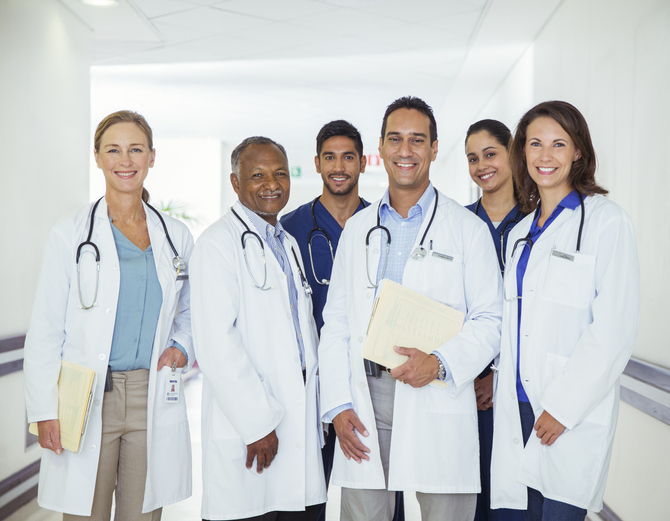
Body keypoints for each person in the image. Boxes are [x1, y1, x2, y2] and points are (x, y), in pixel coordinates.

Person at [318, 96, 503, 521]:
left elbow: (491, 320)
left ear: (434, 149)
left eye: (417, 140)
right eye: (395, 140)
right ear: (380, 149)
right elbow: (337, 323)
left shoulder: (467, 230)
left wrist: (439, 364)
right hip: (367, 397)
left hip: (436, 391)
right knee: (365, 514)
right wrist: (338, 405)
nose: (405, 151)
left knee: (445, 513)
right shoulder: (358, 230)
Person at [24, 110, 194, 520]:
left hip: (149, 394)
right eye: (113, 150)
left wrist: (180, 347)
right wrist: (44, 410)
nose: (125, 160)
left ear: (152, 157)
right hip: (85, 396)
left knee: (143, 514)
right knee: (86, 513)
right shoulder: (70, 234)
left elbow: (188, 312)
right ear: (97, 157)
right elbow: (46, 326)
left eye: (136, 149)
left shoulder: (176, 236)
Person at [490, 101, 640, 520]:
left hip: (565, 412)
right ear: (522, 152)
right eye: (534, 144)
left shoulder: (606, 223)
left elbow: (614, 328)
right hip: (516, 406)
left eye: (558, 144)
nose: (544, 155)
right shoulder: (521, 232)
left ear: (578, 151)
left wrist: (562, 406)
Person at [190, 136, 326, 521]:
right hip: (252, 430)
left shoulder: (287, 243)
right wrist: (256, 424)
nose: (272, 184)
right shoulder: (217, 244)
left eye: (280, 174)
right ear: (235, 183)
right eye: (257, 175)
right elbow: (216, 345)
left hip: (295, 419)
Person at [464, 119, 525, 521]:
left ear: (511, 154)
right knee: (473, 496)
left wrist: (498, 374)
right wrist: (472, 371)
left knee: (515, 499)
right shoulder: (459, 225)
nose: (481, 165)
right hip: (467, 386)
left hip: (520, 385)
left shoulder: (538, 222)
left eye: (490, 154)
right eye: (472, 158)